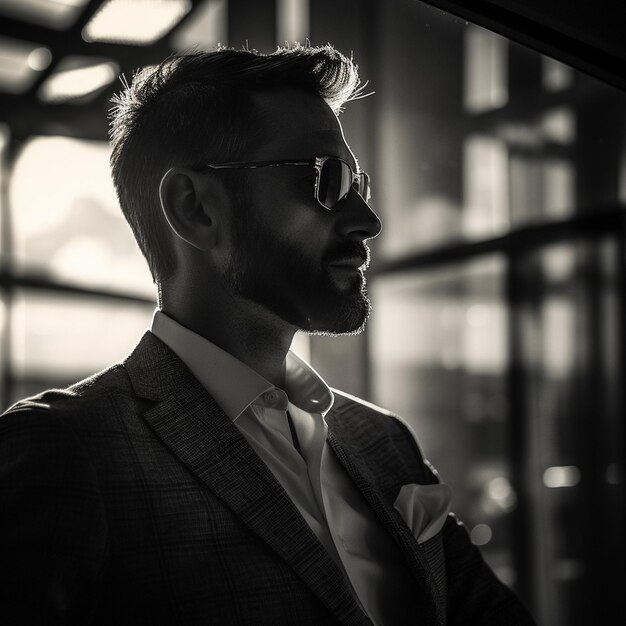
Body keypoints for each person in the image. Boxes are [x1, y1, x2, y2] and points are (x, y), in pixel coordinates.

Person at [0, 45, 535, 625]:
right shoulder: (64, 450)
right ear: (196, 209)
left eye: (360, 183)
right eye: (325, 179)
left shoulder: (383, 441)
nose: (368, 221)